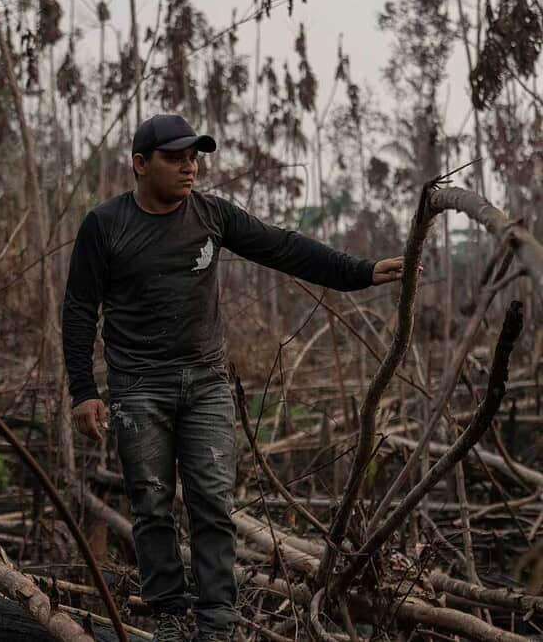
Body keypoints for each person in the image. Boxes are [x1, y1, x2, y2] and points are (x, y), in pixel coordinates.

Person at [61, 114, 407, 642]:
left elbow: (284, 247)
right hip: (137, 387)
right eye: (175, 157)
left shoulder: (212, 216)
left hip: (205, 384)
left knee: (212, 502)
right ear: (139, 164)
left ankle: (216, 625)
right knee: (151, 504)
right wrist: (84, 391)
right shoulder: (105, 225)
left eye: (194, 156)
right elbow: (81, 308)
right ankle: (171, 618)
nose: (189, 166)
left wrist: (359, 271)